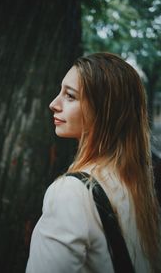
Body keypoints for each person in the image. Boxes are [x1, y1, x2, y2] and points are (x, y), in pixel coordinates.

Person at [26, 52, 161, 273]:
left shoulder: (70, 193)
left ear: (103, 110)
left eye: (70, 96)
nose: (53, 104)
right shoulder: (138, 181)